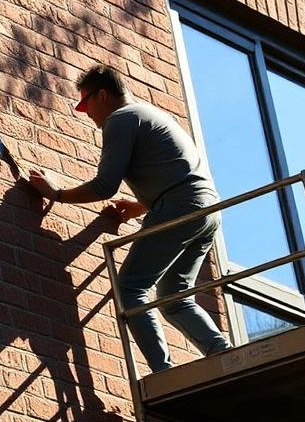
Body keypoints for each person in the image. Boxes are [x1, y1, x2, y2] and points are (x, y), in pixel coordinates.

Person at [28, 64, 230, 373]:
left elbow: (105, 185)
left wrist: (56, 194)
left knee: (131, 288)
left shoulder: (120, 119)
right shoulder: (151, 114)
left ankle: (163, 372)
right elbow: (175, 168)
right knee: (174, 297)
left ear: (103, 95)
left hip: (179, 205)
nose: (86, 113)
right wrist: (143, 205)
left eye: (86, 103)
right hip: (206, 210)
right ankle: (221, 351)